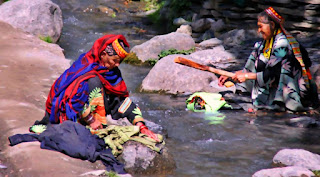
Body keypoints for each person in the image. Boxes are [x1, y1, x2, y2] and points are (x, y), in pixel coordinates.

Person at [35, 34, 159, 142]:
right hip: (71, 112)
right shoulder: (85, 68)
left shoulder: (112, 72)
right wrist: (91, 120)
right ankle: (91, 125)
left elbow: (119, 101)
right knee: (94, 82)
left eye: (119, 61)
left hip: (93, 109)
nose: (117, 65)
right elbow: (72, 100)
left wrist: (140, 125)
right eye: (115, 60)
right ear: (104, 54)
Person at [218, 7, 318, 112]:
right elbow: (255, 68)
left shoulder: (283, 44)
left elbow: (274, 74)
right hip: (273, 84)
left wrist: (246, 76)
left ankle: (283, 103)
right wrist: (232, 75)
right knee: (256, 51)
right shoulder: (264, 44)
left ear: (272, 25)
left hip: (295, 90)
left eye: (261, 27)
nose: (259, 30)